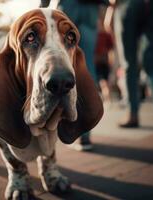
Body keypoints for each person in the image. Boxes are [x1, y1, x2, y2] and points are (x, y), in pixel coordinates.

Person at [40, 0, 109, 150]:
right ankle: (84, 135)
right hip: (91, 9)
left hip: (69, 6)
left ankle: (70, 132)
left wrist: (43, 7)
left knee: (65, 62)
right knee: (87, 65)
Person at [114, 0, 153, 142]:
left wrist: (112, 7)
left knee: (130, 64)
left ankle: (133, 113)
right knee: (152, 63)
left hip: (131, 5)